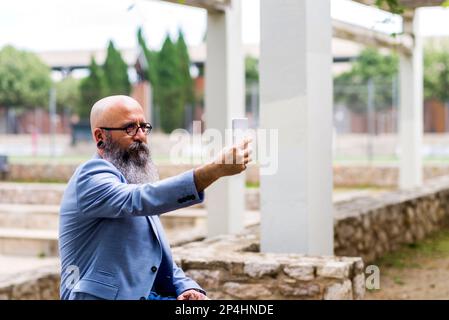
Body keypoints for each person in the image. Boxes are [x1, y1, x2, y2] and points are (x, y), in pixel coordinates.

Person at [59, 95, 252, 300]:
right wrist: (214, 171)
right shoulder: (91, 176)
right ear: (100, 136)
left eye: (144, 127)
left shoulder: (134, 179)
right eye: (129, 128)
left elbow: (155, 257)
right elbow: (138, 198)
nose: (140, 136)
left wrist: (185, 288)